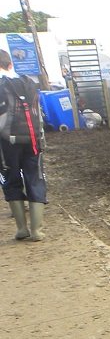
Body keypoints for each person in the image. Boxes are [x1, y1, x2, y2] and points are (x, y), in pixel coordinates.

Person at [0, 50, 47, 241]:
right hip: (33, 138)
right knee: (35, 177)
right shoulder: (28, 82)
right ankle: (37, 230)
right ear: (10, 64)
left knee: (11, 179)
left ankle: (22, 228)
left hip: (6, 141)